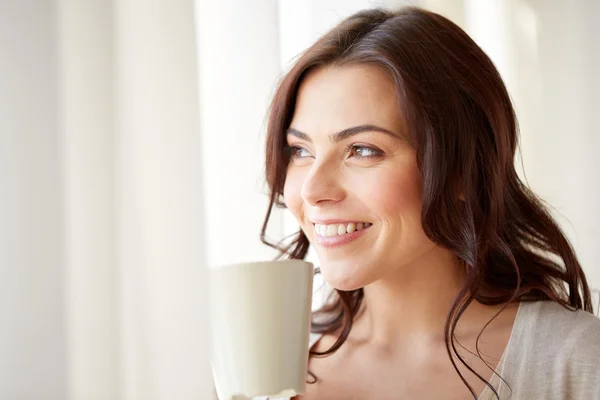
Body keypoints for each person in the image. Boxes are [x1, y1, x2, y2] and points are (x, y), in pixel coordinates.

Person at [257, 6, 600, 400]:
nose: (312, 190)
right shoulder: (267, 365)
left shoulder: (572, 365)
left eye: (363, 150)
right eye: (300, 151)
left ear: (460, 170)